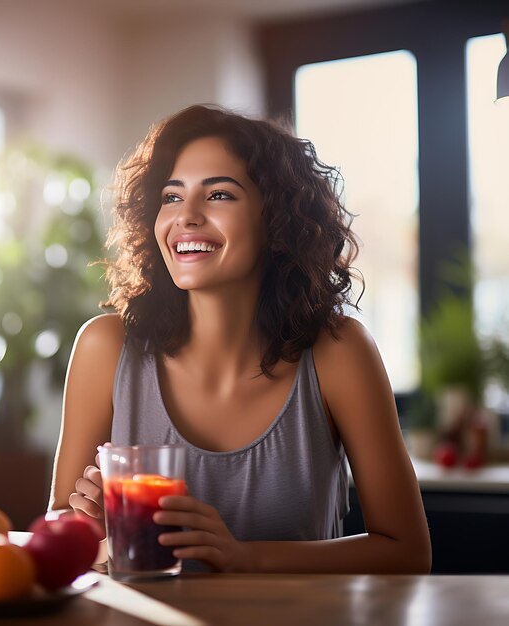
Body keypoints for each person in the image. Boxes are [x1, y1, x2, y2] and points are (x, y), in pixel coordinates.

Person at [49, 104, 432, 574]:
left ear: (276, 221)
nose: (185, 217)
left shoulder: (339, 352)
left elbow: (407, 552)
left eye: (219, 196)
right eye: (171, 197)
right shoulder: (104, 348)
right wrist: (95, 529)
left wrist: (242, 556)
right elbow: (60, 530)